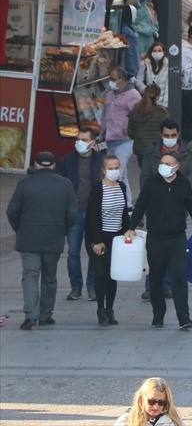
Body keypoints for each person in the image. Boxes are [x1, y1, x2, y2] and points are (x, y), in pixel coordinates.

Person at [127, 151, 192, 329]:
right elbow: (141, 205)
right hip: (156, 238)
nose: (163, 166)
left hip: (177, 238)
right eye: (162, 163)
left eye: (167, 163)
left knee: (179, 276)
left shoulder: (183, 184)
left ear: (177, 167)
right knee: (156, 279)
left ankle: (184, 316)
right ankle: (158, 314)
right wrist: (131, 227)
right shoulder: (152, 183)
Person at [7, 152, 76, 330]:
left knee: (30, 275)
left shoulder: (24, 183)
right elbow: (72, 214)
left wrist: (19, 229)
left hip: (28, 238)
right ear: (54, 165)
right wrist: (63, 231)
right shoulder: (65, 184)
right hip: (54, 238)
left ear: (36, 165)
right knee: (49, 277)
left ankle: (31, 315)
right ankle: (46, 315)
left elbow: (12, 211)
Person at [56, 126, 103, 302]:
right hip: (73, 212)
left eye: (84, 140)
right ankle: (76, 287)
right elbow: (59, 186)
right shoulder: (66, 161)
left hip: (93, 213)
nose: (80, 143)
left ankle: (91, 286)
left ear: (93, 142)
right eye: (78, 139)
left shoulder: (100, 161)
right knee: (73, 252)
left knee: (94, 251)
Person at [86, 155, 132, 325]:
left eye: (117, 167)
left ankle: (110, 309)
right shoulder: (98, 189)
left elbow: (124, 213)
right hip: (99, 237)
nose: (114, 171)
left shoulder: (121, 186)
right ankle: (100, 309)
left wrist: (129, 230)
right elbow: (92, 217)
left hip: (116, 237)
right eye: (111, 168)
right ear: (104, 170)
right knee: (101, 272)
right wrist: (97, 241)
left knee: (113, 275)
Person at [100, 67, 142, 183]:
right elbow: (105, 115)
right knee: (121, 175)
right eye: (110, 79)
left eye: (113, 79)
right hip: (110, 139)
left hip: (125, 140)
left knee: (115, 173)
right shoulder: (109, 95)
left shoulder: (133, 95)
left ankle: (115, 199)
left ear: (122, 80)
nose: (111, 82)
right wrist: (101, 134)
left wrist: (126, 129)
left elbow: (138, 117)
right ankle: (126, 201)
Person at [114, 377, 185, 426]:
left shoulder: (175, 422)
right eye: (151, 401)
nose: (156, 406)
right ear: (142, 398)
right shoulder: (127, 421)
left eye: (161, 402)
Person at [134, 41, 170, 107]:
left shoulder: (168, 65)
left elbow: (168, 86)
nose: (157, 53)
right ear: (151, 52)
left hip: (162, 103)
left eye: (159, 51)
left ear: (163, 52)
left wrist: (165, 104)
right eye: (155, 51)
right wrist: (146, 90)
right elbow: (138, 80)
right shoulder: (145, 64)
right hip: (149, 102)